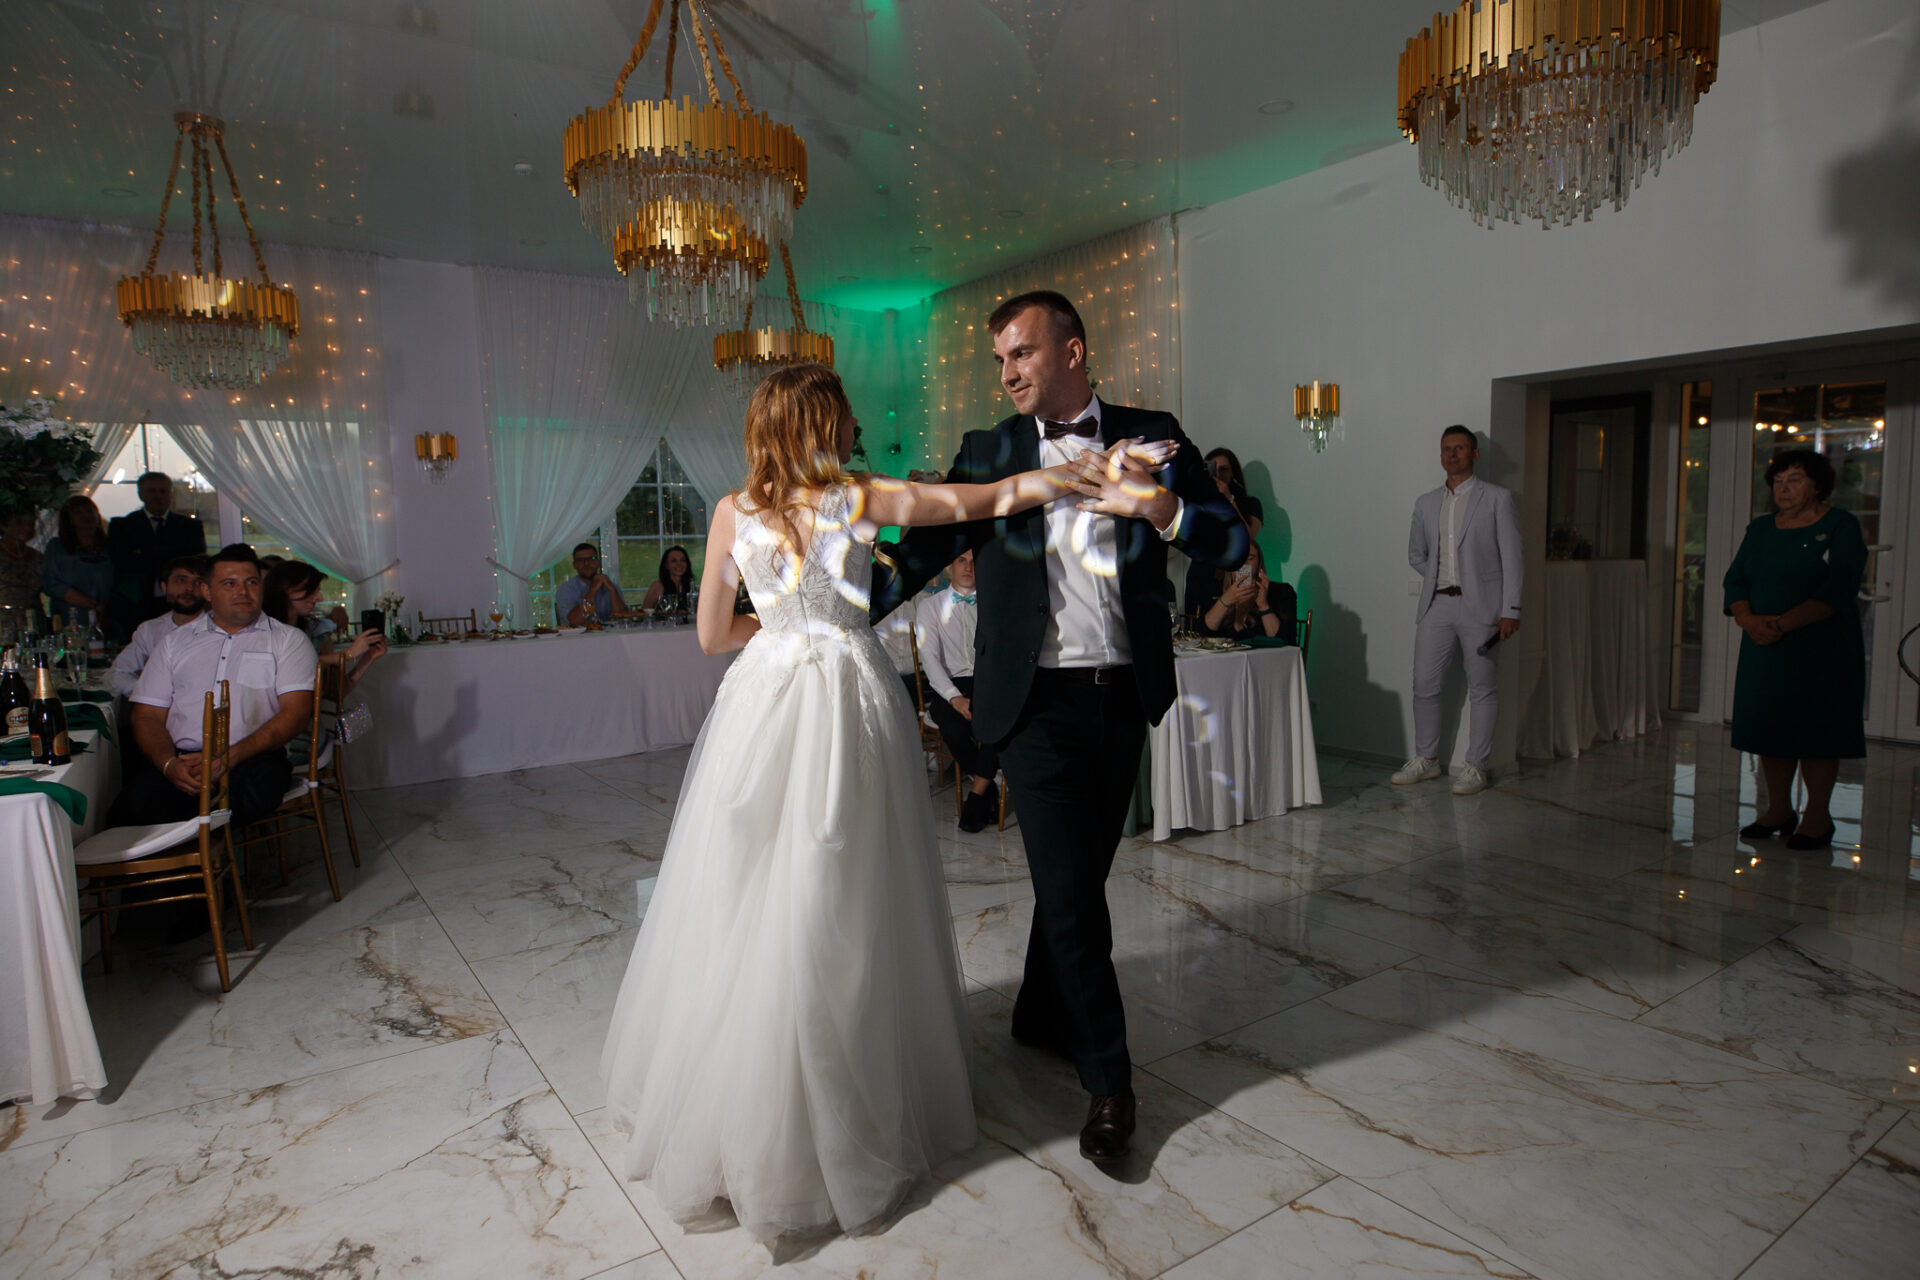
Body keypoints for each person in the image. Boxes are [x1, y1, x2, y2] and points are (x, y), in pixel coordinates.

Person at [601, 362, 1170, 1242]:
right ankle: (841, 1075)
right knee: (850, 893)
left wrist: (780, 629)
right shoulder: (858, 497)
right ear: (819, 423)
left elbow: (712, 635)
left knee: (745, 892)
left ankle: (739, 1106)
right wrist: (1073, 474)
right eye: (841, 415)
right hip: (843, 702)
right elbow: (982, 501)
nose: (851, 427)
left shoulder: (729, 512)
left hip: (763, 700)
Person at [873, 289, 1247, 1164]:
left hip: (1121, 700)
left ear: (1072, 352)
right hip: (1032, 705)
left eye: (1022, 354)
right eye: (999, 359)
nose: (1007, 373)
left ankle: (1039, 1011)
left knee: (1076, 880)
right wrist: (828, 609)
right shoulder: (988, 452)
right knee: (1078, 900)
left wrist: (1159, 510)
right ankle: (1110, 1084)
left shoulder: (1154, 436)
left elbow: (1230, 545)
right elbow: (918, 553)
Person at [113, 544, 316, 829]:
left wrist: (231, 757)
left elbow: (297, 713)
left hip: (252, 757)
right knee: (129, 810)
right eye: (229, 584)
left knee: (248, 796)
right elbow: (146, 715)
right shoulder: (174, 643)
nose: (243, 592)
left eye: (252, 582)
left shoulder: (287, 640)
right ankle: (197, 848)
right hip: (183, 758)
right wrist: (169, 765)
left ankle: (205, 849)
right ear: (207, 592)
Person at [1724, 448, 1866, 850]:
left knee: (1817, 728)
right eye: (1778, 480)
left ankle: (1818, 817)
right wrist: (1749, 621)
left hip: (1820, 647)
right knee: (1770, 726)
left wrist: (1781, 624)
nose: (1784, 488)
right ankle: (1779, 810)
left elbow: (1839, 587)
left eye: (1795, 479)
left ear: (1817, 485)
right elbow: (1736, 579)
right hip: (1764, 645)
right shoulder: (1761, 528)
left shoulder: (1840, 525)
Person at [1393, 425, 1523, 797]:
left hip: (1481, 606)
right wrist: (1438, 576)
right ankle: (1427, 758)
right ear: (1440, 455)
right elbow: (1416, 554)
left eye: (1459, 448)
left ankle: (1476, 766)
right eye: (1446, 449)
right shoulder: (1426, 503)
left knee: (1482, 686)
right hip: (1437, 604)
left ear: (1474, 454)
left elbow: (1513, 558)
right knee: (1424, 684)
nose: (1452, 454)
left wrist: (1510, 609)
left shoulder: (1497, 499)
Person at [917, 550, 1000, 831]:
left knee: (999, 722)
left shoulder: (993, 602)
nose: (968, 568)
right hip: (948, 684)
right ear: (950, 566)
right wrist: (954, 696)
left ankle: (976, 795)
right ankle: (988, 785)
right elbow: (929, 658)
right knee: (953, 726)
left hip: (988, 681)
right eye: (961, 561)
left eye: (974, 562)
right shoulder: (929, 606)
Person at [263, 559, 388, 695]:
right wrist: (348, 654)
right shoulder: (264, 632)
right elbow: (296, 663)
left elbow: (337, 691)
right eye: (312, 590)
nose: (320, 598)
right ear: (287, 589)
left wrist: (368, 657)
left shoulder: (315, 632)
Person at [107, 471, 207, 634]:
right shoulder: (122, 526)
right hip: (136, 603)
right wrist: (171, 552)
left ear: (170, 494)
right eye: (152, 491)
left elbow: (195, 561)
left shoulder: (190, 526)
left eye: (163, 491)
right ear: (141, 494)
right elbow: (122, 562)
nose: (158, 496)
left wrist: (144, 552)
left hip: (181, 600)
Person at [107, 555, 207, 697]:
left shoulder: (219, 629)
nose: (189, 588)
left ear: (207, 590)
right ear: (164, 587)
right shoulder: (150, 630)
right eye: (181, 580)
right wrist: (153, 693)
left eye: (198, 582)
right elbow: (116, 674)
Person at [1193, 542, 1297, 643]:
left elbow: (1284, 640)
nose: (1243, 564)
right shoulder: (1216, 589)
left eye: (1250, 559)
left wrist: (1263, 605)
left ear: (1259, 563)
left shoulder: (1281, 591)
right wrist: (1226, 600)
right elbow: (1204, 633)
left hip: (1263, 654)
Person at [41, 494, 115, 630]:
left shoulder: (110, 546)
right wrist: (93, 605)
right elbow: (51, 584)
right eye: (78, 512)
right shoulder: (57, 547)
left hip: (110, 616)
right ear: (69, 519)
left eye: (89, 511)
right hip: (72, 617)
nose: (86, 516)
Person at [555, 542, 627, 625]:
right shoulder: (565, 590)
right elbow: (573, 623)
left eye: (591, 559)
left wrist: (612, 590)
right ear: (574, 565)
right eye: (580, 560)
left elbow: (623, 619)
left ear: (598, 562)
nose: (586, 564)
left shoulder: (610, 586)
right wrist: (592, 591)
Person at [1, 509, 43, 618]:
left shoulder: (38, 558)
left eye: (31, 523)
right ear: (4, 525)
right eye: (19, 522)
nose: (27, 528)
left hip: (34, 620)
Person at [639, 545, 694, 612]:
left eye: (683, 560)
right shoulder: (658, 586)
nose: (679, 564)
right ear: (666, 565)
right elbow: (644, 612)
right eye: (674, 561)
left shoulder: (691, 588)